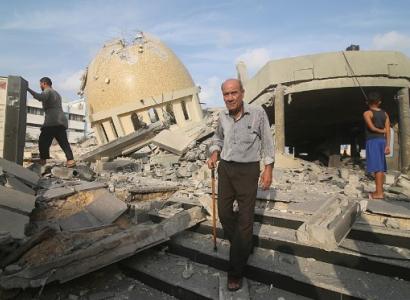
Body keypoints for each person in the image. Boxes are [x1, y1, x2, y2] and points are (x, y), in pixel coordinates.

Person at [207, 79, 274, 291]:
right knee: (225, 213)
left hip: (248, 170)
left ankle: (235, 272)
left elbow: (267, 142)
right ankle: (244, 244)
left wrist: (268, 168)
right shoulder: (222, 116)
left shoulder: (257, 113)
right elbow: (217, 138)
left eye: (233, 93)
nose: (230, 98)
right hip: (226, 169)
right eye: (226, 94)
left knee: (245, 220)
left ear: (242, 93)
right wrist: (214, 153)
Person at [27, 77, 75, 167]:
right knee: (63, 142)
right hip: (61, 120)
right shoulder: (56, 93)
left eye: (40, 84)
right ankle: (70, 160)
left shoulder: (48, 91)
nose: (40, 86)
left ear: (44, 83)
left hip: (53, 120)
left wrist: (28, 89)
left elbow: (40, 97)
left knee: (43, 140)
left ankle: (43, 160)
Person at [363, 91, 390, 199]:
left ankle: (379, 193)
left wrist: (381, 130)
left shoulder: (367, 113)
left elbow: (372, 128)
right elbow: (388, 130)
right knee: (381, 167)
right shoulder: (385, 113)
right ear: (379, 102)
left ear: (367, 102)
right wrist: (388, 145)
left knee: (377, 168)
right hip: (382, 141)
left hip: (372, 141)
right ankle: (379, 191)